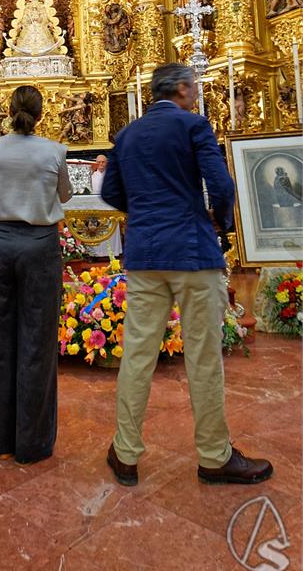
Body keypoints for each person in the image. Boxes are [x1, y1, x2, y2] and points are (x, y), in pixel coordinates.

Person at [101, 63, 273, 486]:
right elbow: (222, 185)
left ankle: (125, 453)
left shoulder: (127, 135)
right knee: (202, 357)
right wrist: (220, 221)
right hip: (193, 254)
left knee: (138, 354)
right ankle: (214, 457)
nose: (195, 94)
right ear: (180, 88)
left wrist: (144, 214)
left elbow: (109, 192)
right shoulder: (194, 126)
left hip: (144, 256)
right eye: (193, 88)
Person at [0, 85, 73, 464]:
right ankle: (32, 443)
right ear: (41, 113)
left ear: (8, 111)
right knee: (37, 339)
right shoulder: (54, 150)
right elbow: (64, 195)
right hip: (38, 247)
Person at [87, 154, 122, 260]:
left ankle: (113, 252)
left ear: (107, 163)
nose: (101, 164)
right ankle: (94, 254)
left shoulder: (112, 176)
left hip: (109, 207)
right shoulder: (91, 177)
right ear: (95, 163)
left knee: (111, 227)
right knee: (94, 228)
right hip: (95, 208)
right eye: (99, 162)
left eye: (103, 162)